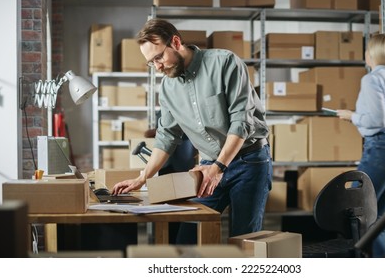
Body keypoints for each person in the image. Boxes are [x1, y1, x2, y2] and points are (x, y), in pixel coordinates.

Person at [112, 18, 272, 244]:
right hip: (207, 167)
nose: (157, 67)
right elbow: (167, 135)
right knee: (188, 238)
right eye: (151, 62)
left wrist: (219, 167)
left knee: (244, 241)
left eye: (159, 57)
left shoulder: (225, 63)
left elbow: (241, 121)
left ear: (176, 42)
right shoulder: (168, 88)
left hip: (249, 161)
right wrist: (143, 178)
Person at [336, 34, 385, 258]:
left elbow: (378, 120)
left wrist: (352, 116)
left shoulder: (371, 79)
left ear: (371, 54)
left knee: (355, 210)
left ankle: (384, 260)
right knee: (375, 216)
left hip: (383, 150)